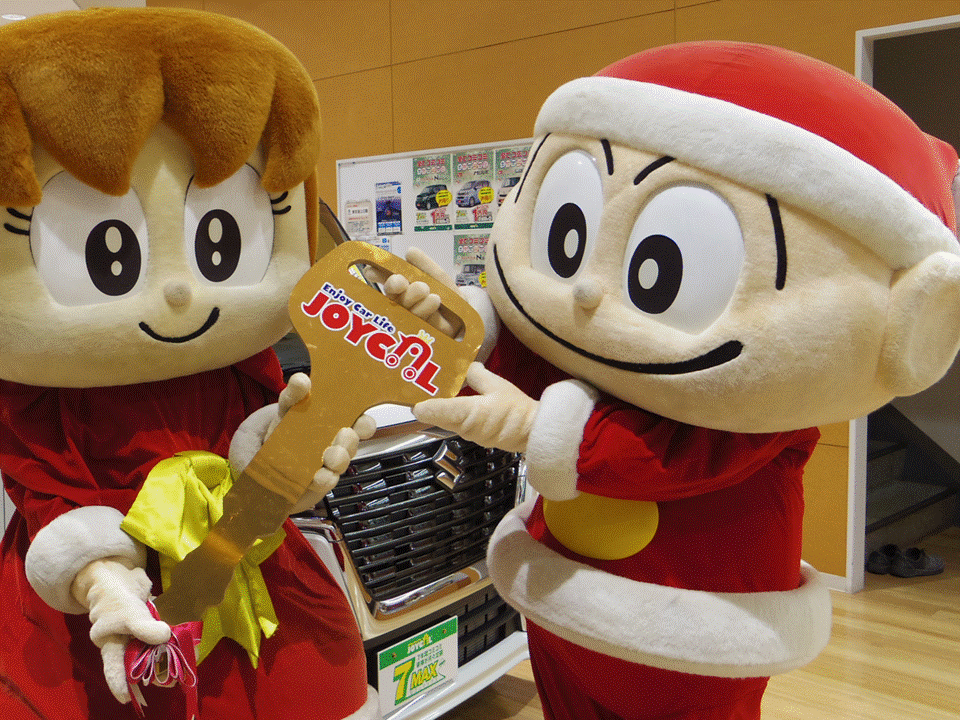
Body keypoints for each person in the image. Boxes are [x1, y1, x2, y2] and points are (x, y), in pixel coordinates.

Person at [397, 42, 960, 719]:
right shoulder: (577, 351)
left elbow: (688, 457)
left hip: (697, 628)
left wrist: (541, 426)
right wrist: (463, 333)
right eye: (568, 234)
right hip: (562, 599)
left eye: (661, 268)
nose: (587, 293)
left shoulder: (757, 413)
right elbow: (525, 372)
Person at [0, 8, 378, 719]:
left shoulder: (245, 359)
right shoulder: (38, 392)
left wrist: (288, 458)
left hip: (248, 568)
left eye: (220, 240)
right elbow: (44, 484)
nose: (178, 290)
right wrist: (99, 578)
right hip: (105, 605)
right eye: (104, 252)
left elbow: (251, 444)